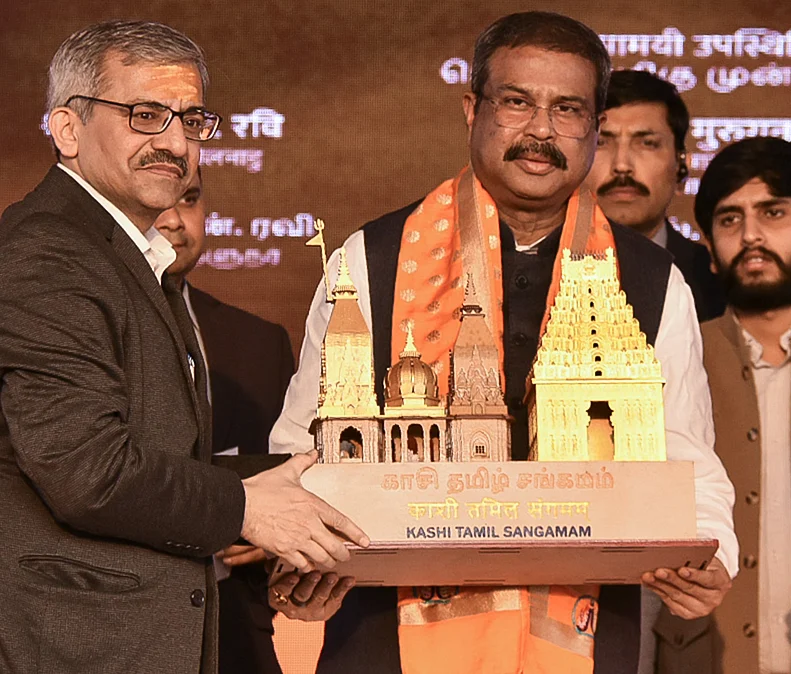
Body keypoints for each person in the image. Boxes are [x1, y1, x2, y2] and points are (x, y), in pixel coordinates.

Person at [268, 11, 737, 674]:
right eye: (517, 102)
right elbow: (304, 443)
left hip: (583, 635)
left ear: (593, 127)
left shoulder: (651, 279)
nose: (541, 131)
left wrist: (711, 554)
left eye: (567, 109)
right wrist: (299, 559)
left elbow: (686, 453)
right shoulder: (370, 260)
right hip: (385, 639)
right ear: (472, 110)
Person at [0, 20, 366, 674]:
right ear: (67, 129)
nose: (175, 143)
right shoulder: (48, 253)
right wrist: (248, 508)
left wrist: (287, 514)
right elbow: (86, 471)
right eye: (145, 115)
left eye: (191, 120)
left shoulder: (129, 257)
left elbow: (152, 460)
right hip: (77, 650)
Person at [652, 138, 791, 674]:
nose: (751, 235)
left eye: (773, 213)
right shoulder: (672, 359)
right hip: (699, 656)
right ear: (710, 249)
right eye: (730, 219)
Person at [153, 174, 297, 674]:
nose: (174, 220)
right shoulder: (71, 332)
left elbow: (292, 483)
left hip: (239, 638)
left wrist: (269, 538)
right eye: (157, 202)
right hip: (112, 634)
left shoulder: (259, 344)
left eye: (189, 199)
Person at [587, 69, 725, 322]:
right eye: (601, 143)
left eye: (647, 143)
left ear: (681, 165)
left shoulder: (719, 282)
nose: (622, 166)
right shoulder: (531, 268)